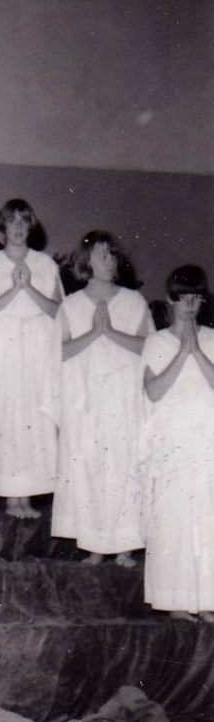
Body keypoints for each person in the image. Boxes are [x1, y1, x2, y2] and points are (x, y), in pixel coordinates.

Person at [51, 231, 151, 566]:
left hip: (123, 400)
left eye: (112, 255)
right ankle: (94, 543)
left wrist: (110, 333)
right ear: (86, 262)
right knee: (90, 465)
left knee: (123, 466)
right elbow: (59, 352)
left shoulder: (133, 301)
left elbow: (149, 349)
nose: (110, 262)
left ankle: (125, 544)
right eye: (102, 256)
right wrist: (93, 334)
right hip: (86, 400)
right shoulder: (72, 305)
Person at [0, 199, 62, 518]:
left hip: (36, 349)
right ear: (3, 226)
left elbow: (59, 311)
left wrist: (29, 288)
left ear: (30, 226)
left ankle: (27, 497)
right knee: (5, 419)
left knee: (34, 419)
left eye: (23, 221)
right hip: (3, 350)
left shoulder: (46, 264)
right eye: (12, 221)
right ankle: (10, 497)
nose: (18, 227)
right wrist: (14, 290)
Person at [140, 265, 214, 622]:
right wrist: (182, 353)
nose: (190, 305)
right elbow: (153, 390)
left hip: (206, 442)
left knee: (206, 521)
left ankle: (206, 599)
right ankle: (177, 601)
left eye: (196, 298)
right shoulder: (157, 342)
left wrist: (197, 351)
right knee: (174, 520)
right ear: (171, 300)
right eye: (183, 298)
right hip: (172, 444)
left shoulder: (212, 339)